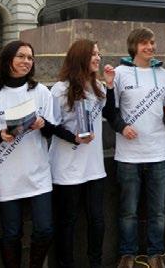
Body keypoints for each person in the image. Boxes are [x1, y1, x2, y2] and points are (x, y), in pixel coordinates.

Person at [49, 39, 125, 267]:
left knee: (98, 221)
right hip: (66, 165)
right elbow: (50, 126)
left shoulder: (98, 86)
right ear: (79, 57)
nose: (98, 58)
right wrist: (73, 138)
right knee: (67, 221)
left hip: (93, 167)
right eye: (93, 54)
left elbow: (110, 114)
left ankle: (96, 262)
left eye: (99, 54)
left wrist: (110, 87)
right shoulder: (60, 89)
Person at [0, 40, 56, 267]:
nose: (26, 61)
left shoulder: (41, 91)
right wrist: (1, 135)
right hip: (7, 175)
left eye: (30, 57)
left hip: (38, 173)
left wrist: (42, 124)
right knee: (11, 232)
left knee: (44, 229)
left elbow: (52, 130)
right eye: (21, 56)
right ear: (7, 60)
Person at [112, 28, 165, 268]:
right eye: (143, 43)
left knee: (158, 211)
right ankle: (127, 253)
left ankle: (156, 252)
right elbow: (111, 110)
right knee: (128, 210)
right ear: (133, 47)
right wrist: (121, 127)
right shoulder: (119, 73)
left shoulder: (164, 74)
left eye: (151, 42)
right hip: (128, 154)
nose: (149, 47)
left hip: (159, 152)